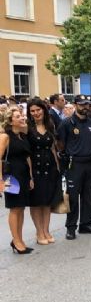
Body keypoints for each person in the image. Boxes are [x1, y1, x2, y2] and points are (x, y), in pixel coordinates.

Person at [57, 95, 91, 240]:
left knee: (88, 197)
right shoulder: (67, 123)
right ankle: (71, 227)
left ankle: (86, 224)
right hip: (74, 164)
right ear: (75, 105)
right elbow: (60, 144)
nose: (85, 107)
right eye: (82, 104)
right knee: (73, 197)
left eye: (87, 104)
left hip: (90, 164)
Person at [27, 99, 61, 245]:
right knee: (36, 203)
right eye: (32, 111)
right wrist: (29, 175)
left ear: (44, 110)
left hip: (50, 168)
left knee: (47, 202)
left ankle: (46, 230)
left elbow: (53, 148)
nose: (36, 113)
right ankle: (39, 232)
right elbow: (26, 153)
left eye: (38, 110)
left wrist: (59, 169)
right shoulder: (27, 128)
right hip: (35, 168)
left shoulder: (50, 125)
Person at [1, 106, 34, 254]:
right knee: (15, 209)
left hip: (23, 175)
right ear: (10, 120)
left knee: (21, 208)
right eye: (18, 116)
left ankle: (19, 240)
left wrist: (31, 177)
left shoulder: (22, 135)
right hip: (10, 176)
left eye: (21, 115)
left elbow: (27, 157)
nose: (22, 118)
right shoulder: (5, 137)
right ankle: (16, 240)